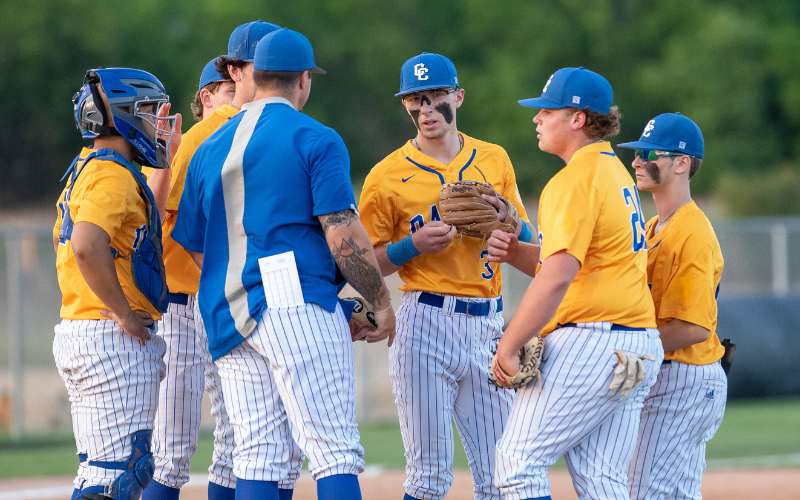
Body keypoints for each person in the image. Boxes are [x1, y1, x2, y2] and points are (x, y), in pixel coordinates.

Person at [172, 28, 395, 500]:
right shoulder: (315, 137)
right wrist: (378, 299)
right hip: (294, 298)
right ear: (302, 80)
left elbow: (195, 245)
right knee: (333, 450)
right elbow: (341, 233)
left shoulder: (209, 146)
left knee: (257, 455)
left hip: (225, 310)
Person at [358, 52, 533, 500]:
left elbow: (528, 234)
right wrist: (409, 246)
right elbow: (361, 263)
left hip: (488, 323)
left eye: (435, 96)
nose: (425, 109)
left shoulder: (493, 159)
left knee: (501, 476)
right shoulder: (386, 176)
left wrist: (508, 224)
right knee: (429, 478)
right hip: (425, 323)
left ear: (458, 96)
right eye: (414, 99)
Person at [489, 67, 663, 499]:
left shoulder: (573, 180)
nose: (537, 118)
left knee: (516, 465)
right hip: (637, 344)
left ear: (578, 118)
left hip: (593, 344)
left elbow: (559, 275)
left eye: (547, 110)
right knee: (602, 479)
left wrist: (510, 343)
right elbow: (577, 263)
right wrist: (515, 252)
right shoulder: (614, 173)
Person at [141, 40, 283, 500]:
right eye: (228, 86)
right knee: (214, 443)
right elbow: (175, 222)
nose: (240, 92)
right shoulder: (203, 138)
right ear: (207, 95)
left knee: (208, 444)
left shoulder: (218, 137)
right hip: (188, 301)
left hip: (202, 300)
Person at [53, 67, 180, 499]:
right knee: (118, 474)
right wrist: (125, 314)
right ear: (122, 116)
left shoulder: (91, 169)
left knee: (100, 472)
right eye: (146, 111)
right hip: (110, 335)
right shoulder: (111, 175)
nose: (156, 123)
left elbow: (137, 227)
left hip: (85, 329)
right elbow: (88, 244)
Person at [617, 113, 727, 499]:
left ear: (681, 163)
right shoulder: (653, 226)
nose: (636, 161)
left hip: (686, 375)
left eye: (648, 153)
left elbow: (693, 327)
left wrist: (631, 347)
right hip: (672, 372)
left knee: (645, 492)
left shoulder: (692, 233)